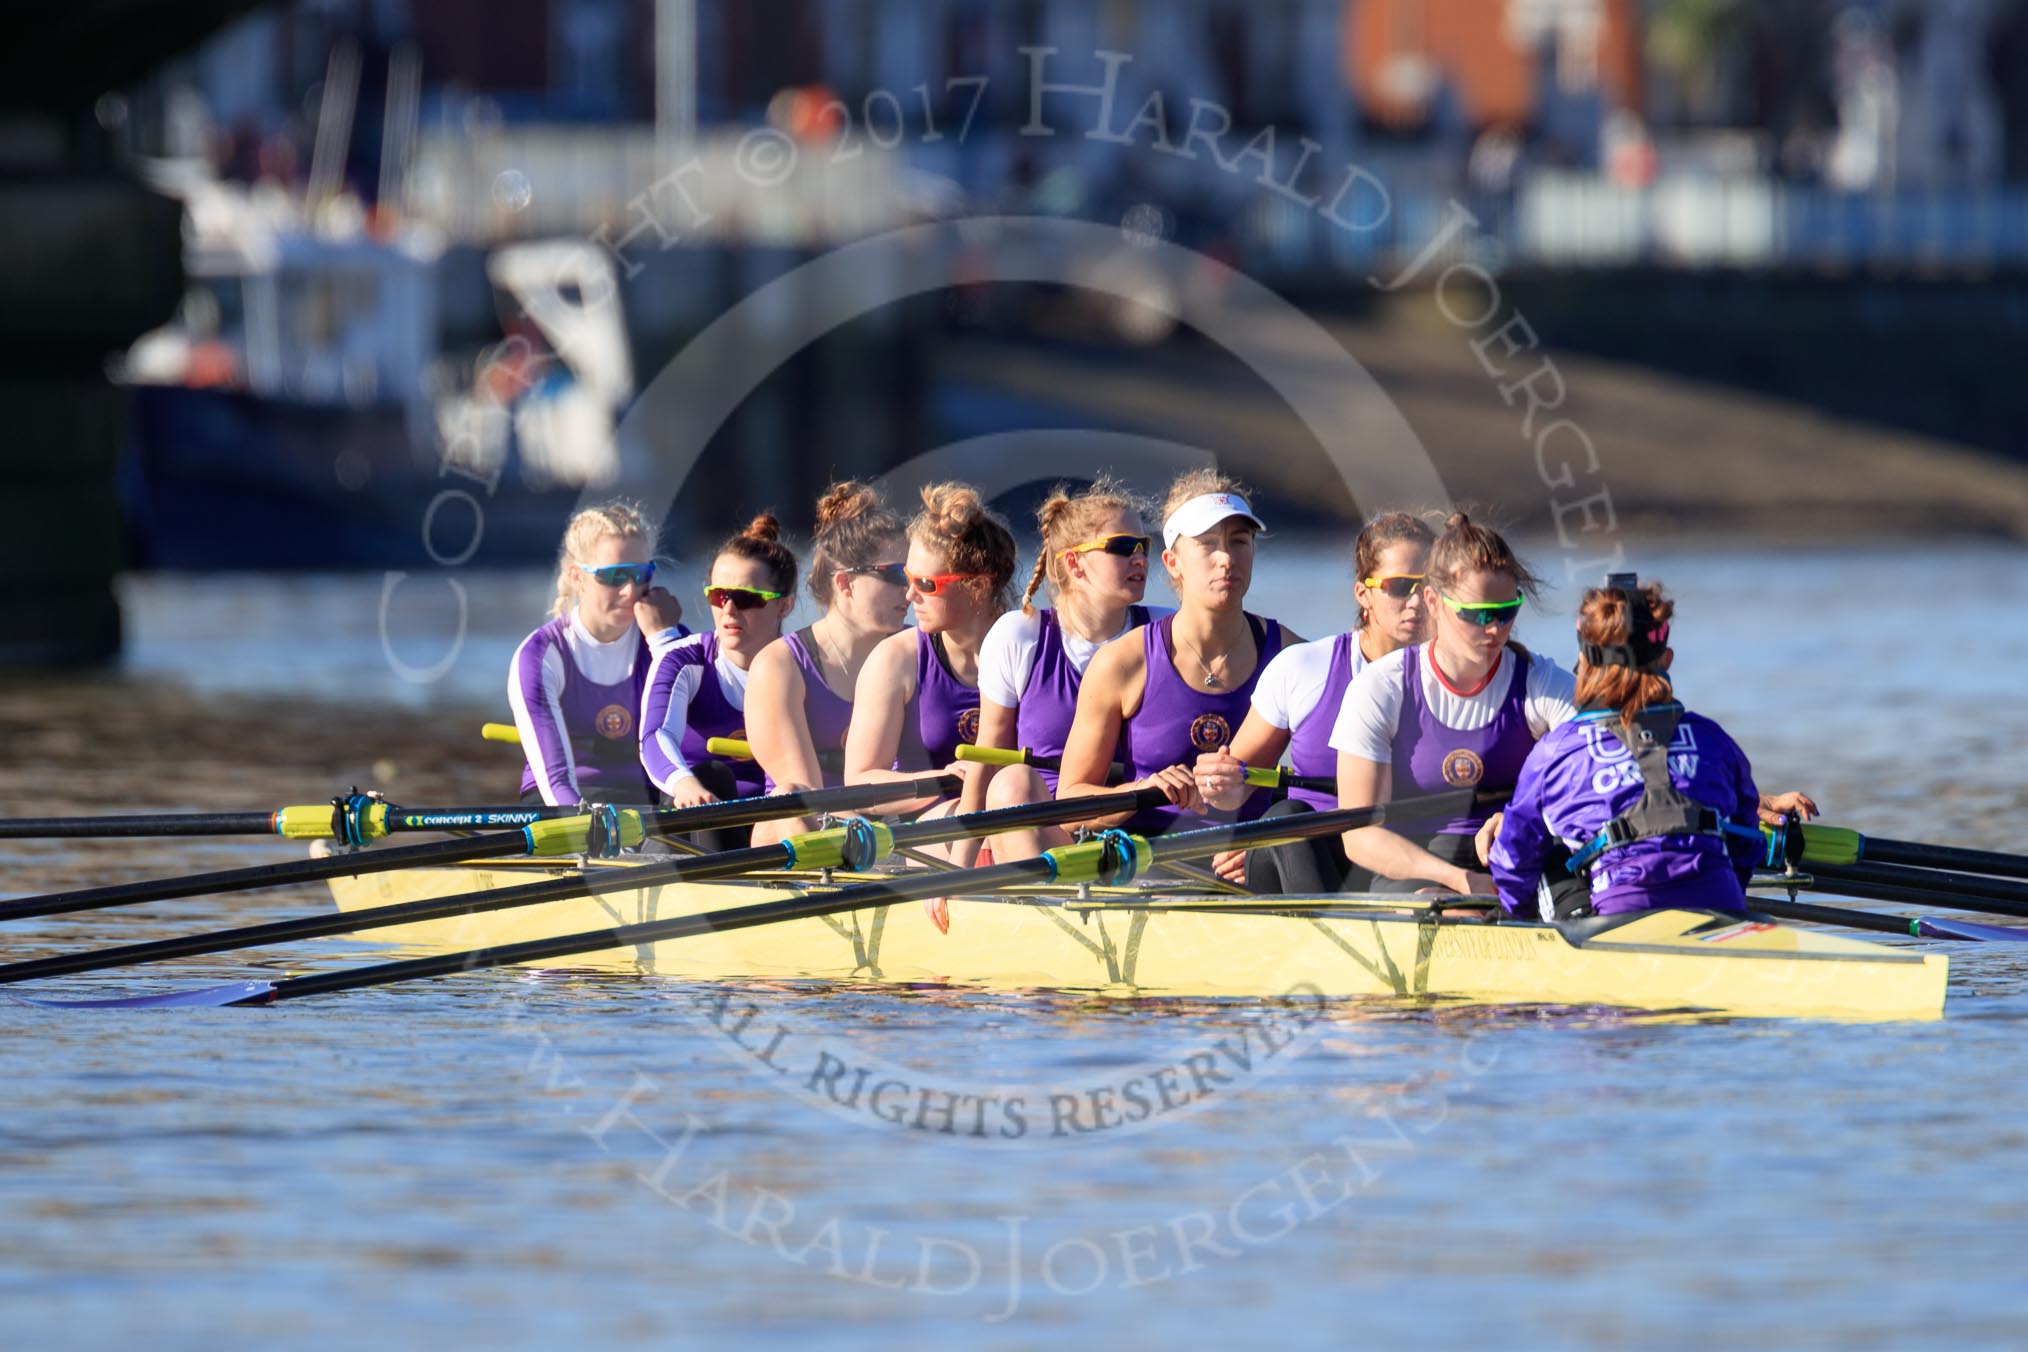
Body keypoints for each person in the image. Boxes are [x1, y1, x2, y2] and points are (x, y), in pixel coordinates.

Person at [1488, 578, 1766, 920]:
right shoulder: (1712, 738)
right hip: (1719, 899)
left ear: (1583, 664)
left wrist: (1511, 917)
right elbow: (1748, 839)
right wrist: (1731, 897)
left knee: (1547, 852)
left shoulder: (1557, 750)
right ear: (1666, 659)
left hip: (1622, 909)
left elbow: (1513, 858)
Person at [1329, 513, 1574, 894]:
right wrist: (1458, 880)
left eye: (1506, 612)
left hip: (1516, 852)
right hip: (1413, 865)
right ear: (1433, 601)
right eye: (1476, 615)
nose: (1494, 630)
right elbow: (1360, 838)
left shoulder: (1542, 684)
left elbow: (1597, 782)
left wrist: (1526, 818)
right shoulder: (1381, 688)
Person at [1194, 511, 1436, 892]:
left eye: (1429, 585)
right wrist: (1218, 783)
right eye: (1400, 586)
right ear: (1363, 593)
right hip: (1308, 855)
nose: (1417, 600)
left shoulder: (1461, 679)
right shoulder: (1305, 667)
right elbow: (1234, 792)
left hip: (1402, 857)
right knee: (1288, 818)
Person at [1058, 470, 1299, 839]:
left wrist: (1265, 845)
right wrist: (1138, 792)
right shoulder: (1122, 664)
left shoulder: (1292, 655)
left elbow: (1333, 779)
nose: (1226, 559)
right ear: (1173, 562)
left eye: (1239, 541)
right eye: (1206, 544)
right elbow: (1070, 806)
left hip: (1250, 862)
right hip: (1146, 868)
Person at [959, 478, 1162, 862]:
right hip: (1043, 833)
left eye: (1144, 546)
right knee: (1011, 780)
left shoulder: (1164, 634)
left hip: (1136, 833)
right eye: (1122, 547)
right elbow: (986, 762)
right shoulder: (1021, 635)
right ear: (1074, 563)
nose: (1139, 559)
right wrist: (957, 866)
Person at [843, 482, 1018, 832]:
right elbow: (859, 785)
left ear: (979, 586)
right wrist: (942, 780)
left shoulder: (1033, 650)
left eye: (925, 584)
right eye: (906, 578)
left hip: (1012, 818)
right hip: (930, 834)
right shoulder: (896, 660)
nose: (908, 595)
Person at [744, 482, 909, 846]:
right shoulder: (780, 665)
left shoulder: (916, 652)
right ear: (845, 583)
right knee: (790, 797)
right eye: (897, 575)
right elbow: (809, 800)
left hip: (893, 830)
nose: (910, 591)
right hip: (805, 838)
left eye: (914, 576)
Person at [508, 501, 686, 806]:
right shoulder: (540, 656)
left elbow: (698, 740)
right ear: (578, 577)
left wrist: (664, 643)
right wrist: (589, 830)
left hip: (650, 797)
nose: (631, 591)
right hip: (562, 799)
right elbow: (556, 781)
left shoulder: (671, 640)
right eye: (615, 576)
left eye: (642, 574)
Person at [640, 514, 798, 812]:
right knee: (712, 776)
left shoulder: (805, 667)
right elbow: (655, 737)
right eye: (719, 595)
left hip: (774, 816)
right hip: (696, 815)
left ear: (784, 605)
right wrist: (685, 784)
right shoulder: (684, 660)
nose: (729, 609)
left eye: (746, 598)